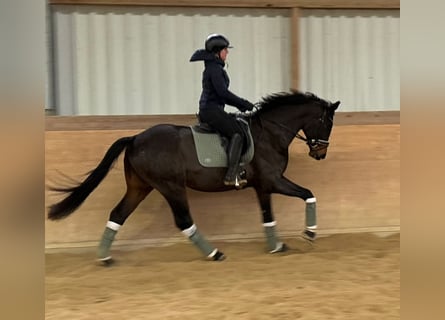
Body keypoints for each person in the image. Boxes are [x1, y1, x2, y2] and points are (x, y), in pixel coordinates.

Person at [190, 34, 255, 186]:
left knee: (237, 125)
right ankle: (231, 175)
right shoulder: (214, 69)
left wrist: (241, 105)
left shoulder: (214, 67)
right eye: (225, 49)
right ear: (217, 52)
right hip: (211, 111)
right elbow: (222, 93)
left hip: (213, 109)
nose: (227, 52)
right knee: (237, 133)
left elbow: (222, 95)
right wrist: (244, 103)